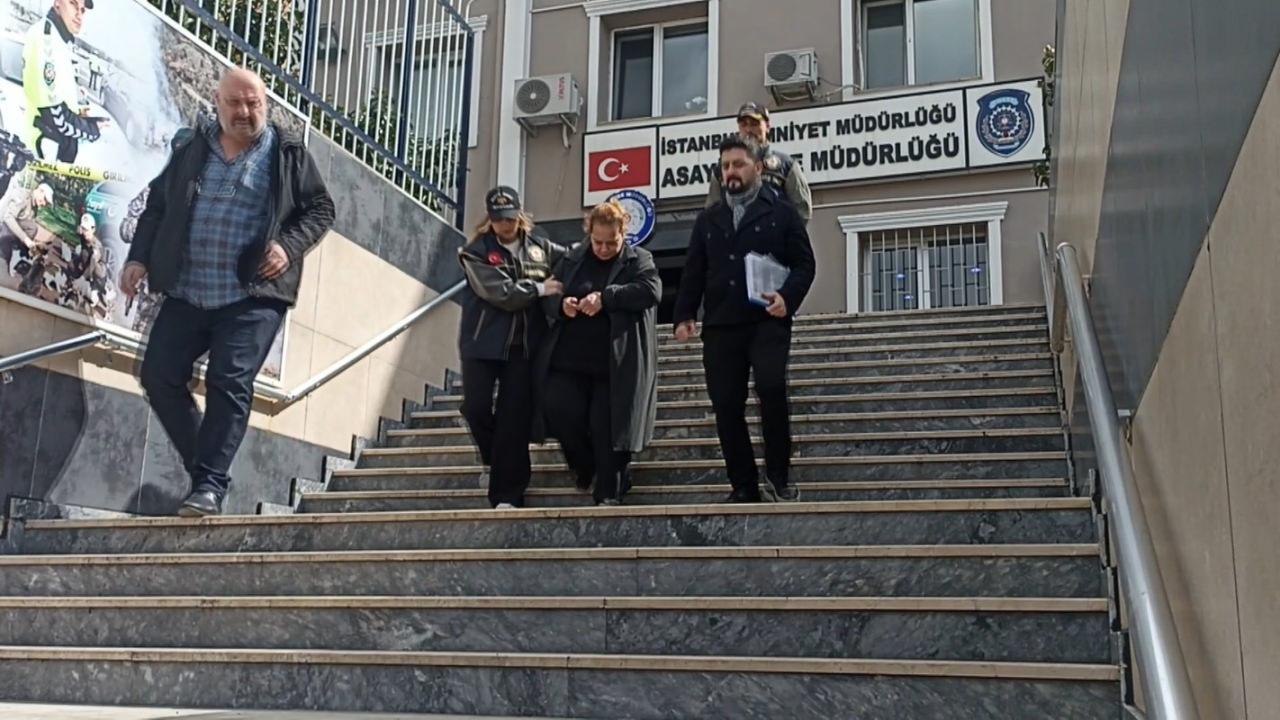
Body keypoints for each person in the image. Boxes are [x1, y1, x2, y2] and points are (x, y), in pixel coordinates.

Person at [119, 67, 335, 517]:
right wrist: (138, 258)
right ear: (217, 102)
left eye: (254, 103)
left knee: (229, 379)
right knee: (159, 375)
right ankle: (206, 470)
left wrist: (288, 246)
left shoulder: (287, 153)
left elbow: (320, 208)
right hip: (188, 289)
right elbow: (158, 205)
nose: (244, 112)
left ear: (265, 105)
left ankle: (209, 484)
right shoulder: (191, 147)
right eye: (235, 102)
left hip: (252, 294)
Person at [674, 134, 816, 503]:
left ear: (758, 167)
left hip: (767, 319)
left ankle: (778, 477)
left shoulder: (782, 212)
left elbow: (805, 264)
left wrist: (787, 298)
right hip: (721, 325)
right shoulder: (708, 219)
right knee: (726, 404)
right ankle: (743, 485)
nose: (731, 172)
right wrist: (684, 313)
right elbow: (694, 271)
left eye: (738, 164)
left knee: (771, 389)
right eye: (725, 167)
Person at [536, 201, 660, 505]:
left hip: (614, 366)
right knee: (559, 411)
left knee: (606, 428)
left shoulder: (638, 259)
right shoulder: (572, 258)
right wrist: (562, 305)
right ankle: (585, 466)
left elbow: (651, 290)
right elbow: (548, 293)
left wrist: (606, 297)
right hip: (569, 362)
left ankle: (609, 492)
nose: (604, 249)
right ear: (589, 234)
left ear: (623, 235)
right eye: (598, 242)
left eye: (611, 243)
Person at [457, 186, 565, 509]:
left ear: (520, 215)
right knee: (476, 408)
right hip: (481, 343)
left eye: (509, 218)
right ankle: (493, 458)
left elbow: (572, 259)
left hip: (524, 347)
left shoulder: (541, 248)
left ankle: (508, 493)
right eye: (498, 219)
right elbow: (501, 293)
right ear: (489, 219)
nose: (504, 225)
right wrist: (540, 288)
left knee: (513, 420)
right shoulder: (475, 252)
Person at [23, 0, 107, 163]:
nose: (79, 14)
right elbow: (57, 117)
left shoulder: (58, 40)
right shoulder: (47, 41)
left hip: (52, 154)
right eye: (73, 4)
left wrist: (79, 113)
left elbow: (57, 98)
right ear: (57, 3)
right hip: (42, 157)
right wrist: (92, 130)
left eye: (82, 10)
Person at [706, 102, 812, 222]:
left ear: (767, 126)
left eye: (754, 124)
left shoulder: (786, 165)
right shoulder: (722, 170)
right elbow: (711, 213)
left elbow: (802, 211)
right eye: (744, 125)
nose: (748, 130)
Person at [0, 177, 53, 277]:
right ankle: (8, 254)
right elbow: (8, 218)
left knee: (33, 227)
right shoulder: (23, 196)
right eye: (45, 199)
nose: (44, 203)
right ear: (40, 191)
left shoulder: (34, 206)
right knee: (4, 254)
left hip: (10, 227)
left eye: (46, 203)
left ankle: (17, 251)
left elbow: (26, 224)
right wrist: (26, 239)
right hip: (2, 222)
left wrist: (33, 243)